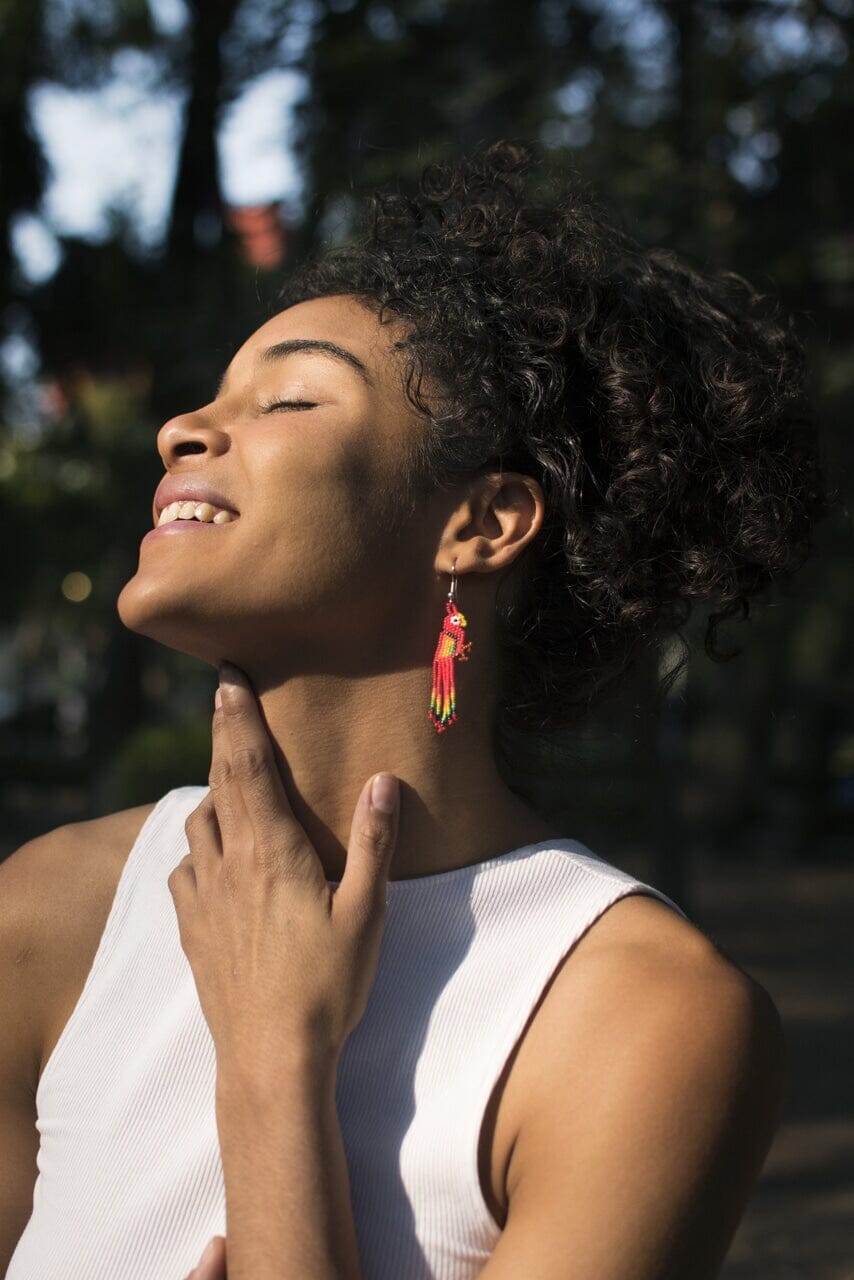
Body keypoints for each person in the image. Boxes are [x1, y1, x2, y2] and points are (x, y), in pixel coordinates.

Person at [0, 140, 826, 1280]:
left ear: (480, 525)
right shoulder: (51, 914)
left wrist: (273, 1057)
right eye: (211, 394)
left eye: (288, 394)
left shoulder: (638, 1016)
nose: (180, 428)